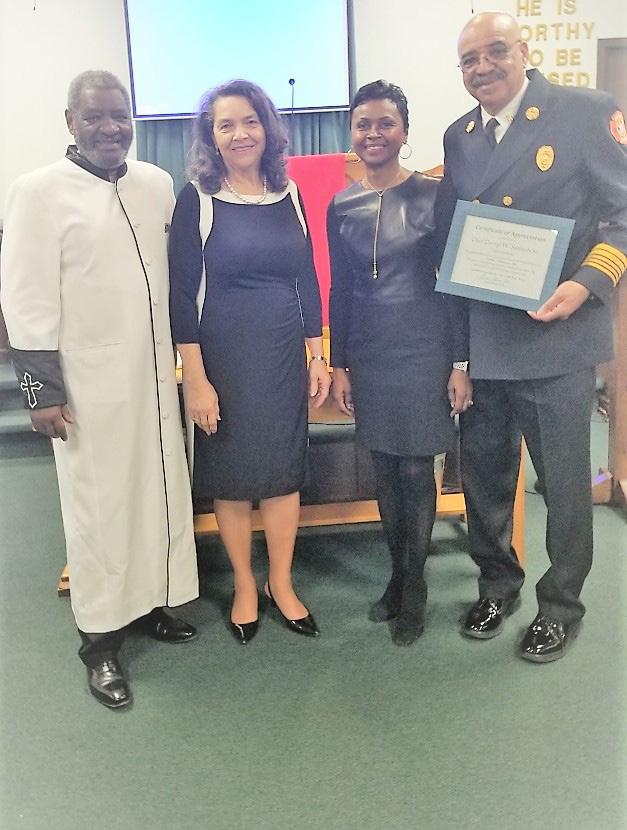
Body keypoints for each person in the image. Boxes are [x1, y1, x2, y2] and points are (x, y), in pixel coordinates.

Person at [0, 71, 199, 709]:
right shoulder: (37, 192)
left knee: (157, 493)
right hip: (87, 385)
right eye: (94, 117)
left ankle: (151, 603)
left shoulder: (155, 184)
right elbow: (25, 297)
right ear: (70, 122)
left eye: (120, 115)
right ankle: (100, 640)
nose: (110, 128)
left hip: (152, 376)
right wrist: (41, 390)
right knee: (98, 509)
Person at [436, 12, 627, 661]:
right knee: (485, 480)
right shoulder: (459, 136)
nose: (481, 67)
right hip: (486, 340)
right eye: (468, 60)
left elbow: (622, 213)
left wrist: (586, 283)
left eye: (494, 52)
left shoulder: (584, 112)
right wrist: (459, 355)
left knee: (564, 486)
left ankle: (560, 605)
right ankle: (497, 584)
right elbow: (454, 243)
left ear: (524, 50)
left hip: (557, 337)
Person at [168, 79, 330, 645]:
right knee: (232, 478)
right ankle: (243, 583)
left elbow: (306, 275)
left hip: (283, 353)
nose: (240, 134)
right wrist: (196, 380)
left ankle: (280, 582)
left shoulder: (290, 193)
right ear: (210, 137)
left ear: (267, 127)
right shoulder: (197, 198)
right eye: (226, 125)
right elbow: (181, 295)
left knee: (283, 473)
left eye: (250, 121)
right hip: (225, 358)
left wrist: (317, 352)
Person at [327, 80, 473, 646]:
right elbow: (340, 289)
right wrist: (340, 364)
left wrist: (460, 360)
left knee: (417, 470)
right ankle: (398, 575)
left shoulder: (436, 195)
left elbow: (455, 284)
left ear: (405, 131)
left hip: (424, 347)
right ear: (351, 133)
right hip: (371, 352)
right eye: (363, 124)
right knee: (385, 469)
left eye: (385, 123)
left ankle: (414, 587)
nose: (373, 133)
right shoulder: (341, 204)